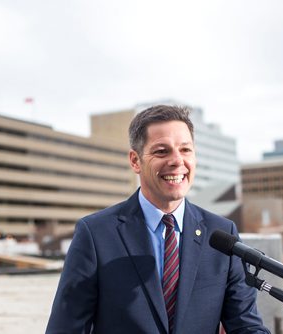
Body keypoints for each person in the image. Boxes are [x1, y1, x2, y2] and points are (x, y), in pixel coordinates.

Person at [46, 105, 270, 334]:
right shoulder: (95, 234)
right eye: (162, 151)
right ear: (135, 161)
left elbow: (245, 325)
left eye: (185, 150)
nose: (176, 161)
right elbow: (65, 328)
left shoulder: (222, 234)